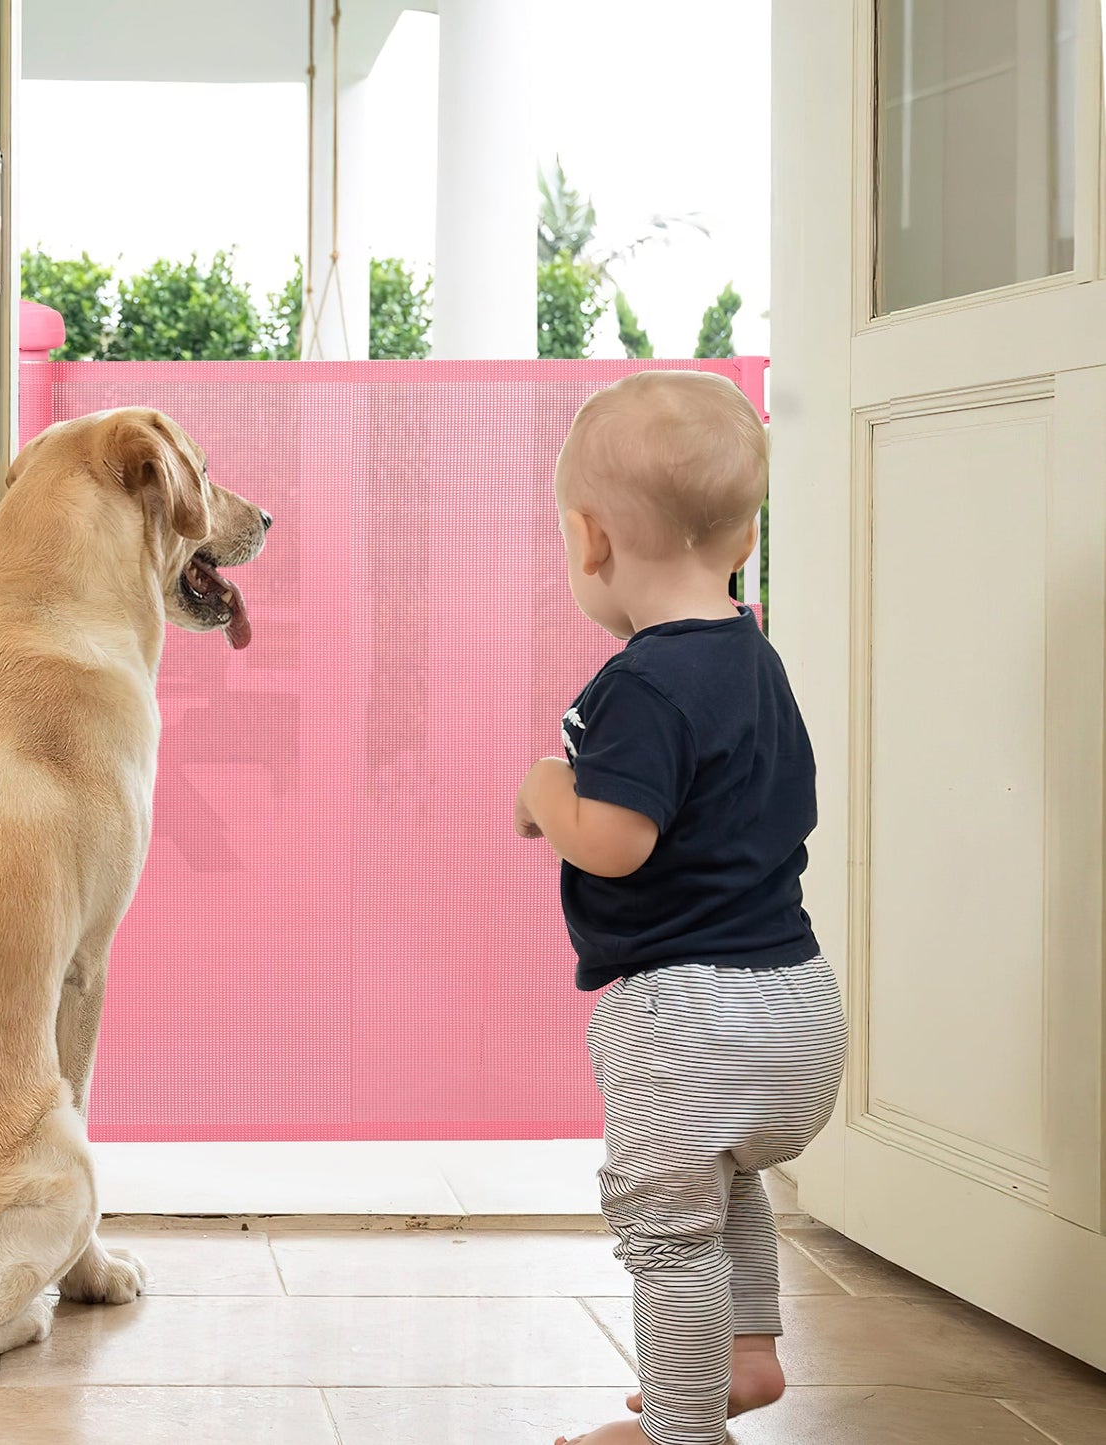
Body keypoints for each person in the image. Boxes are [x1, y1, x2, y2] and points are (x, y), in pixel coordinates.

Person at [514, 371, 847, 1445]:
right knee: (725, 1170)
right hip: (797, 1005)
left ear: (589, 539)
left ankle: (680, 1424)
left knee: (663, 1234)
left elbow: (615, 841)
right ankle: (744, 1353)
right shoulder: (758, 662)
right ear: (742, 534)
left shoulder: (639, 685)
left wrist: (542, 790)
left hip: (687, 1016)